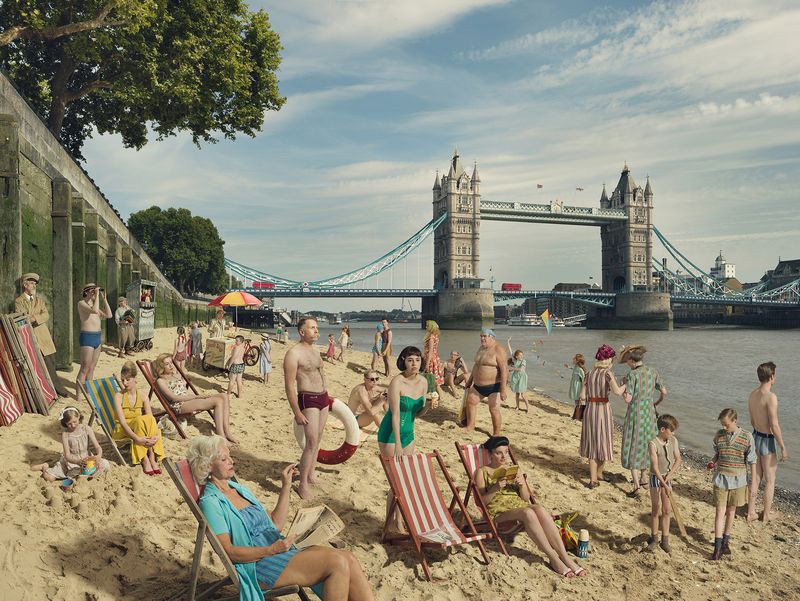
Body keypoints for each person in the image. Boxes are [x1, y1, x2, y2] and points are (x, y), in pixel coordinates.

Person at [189, 435, 375, 601]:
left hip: (278, 550)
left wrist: (285, 486)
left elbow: (276, 524)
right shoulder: (211, 503)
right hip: (259, 564)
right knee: (337, 562)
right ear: (207, 466)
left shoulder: (238, 489)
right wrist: (271, 550)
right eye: (224, 459)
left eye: (229, 456)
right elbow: (230, 552)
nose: (231, 461)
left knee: (348, 557)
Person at [474, 436, 587, 578]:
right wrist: (495, 488)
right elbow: (482, 502)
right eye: (498, 453)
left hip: (519, 506)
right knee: (528, 513)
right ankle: (553, 558)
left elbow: (525, 498)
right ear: (490, 454)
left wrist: (522, 485)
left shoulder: (513, 469)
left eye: (506, 452)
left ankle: (565, 558)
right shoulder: (482, 472)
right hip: (499, 513)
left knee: (538, 508)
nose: (504, 456)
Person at [378, 346, 436, 529]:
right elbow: (394, 415)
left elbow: (418, 414)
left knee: (404, 480)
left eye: (417, 360)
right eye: (410, 360)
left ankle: (398, 521)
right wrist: (397, 445)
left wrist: (428, 405)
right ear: (403, 361)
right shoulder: (397, 382)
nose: (414, 364)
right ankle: (393, 524)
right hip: (390, 434)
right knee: (396, 482)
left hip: (409, 433)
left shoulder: (424, 382)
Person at [283, 316, 330, 499]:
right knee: (310, 443)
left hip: (323, 398)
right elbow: (289, 386)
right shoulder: (293, 354)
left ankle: (311, 475)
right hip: (308, 398)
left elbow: (321, 373)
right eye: (312, 328)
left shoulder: (315, 349)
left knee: (318, 439)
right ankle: (302, 485)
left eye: (317, 327)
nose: (316, 331)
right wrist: (296, 412)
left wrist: (327, 394)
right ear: (302, 332)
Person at [154, 353, 237, 443]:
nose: (171, 366)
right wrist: (196, 397)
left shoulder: (176, 375)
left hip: (189, 400)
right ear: (161, 367)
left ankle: (228, 433)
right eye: (167, 364)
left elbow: (185, 386)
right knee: (217, 401)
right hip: (179, 405)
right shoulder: (161, 381)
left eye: (171, 362)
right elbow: (174, 398)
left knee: (224, 396)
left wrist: (199, 396)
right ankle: (222, 436)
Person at [619, 345, 666, 497]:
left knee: (633, 443)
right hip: (650, 412)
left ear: (633, 361)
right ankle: (644, 477)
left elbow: (628, 399)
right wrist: (655, 404)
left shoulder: (632, 375)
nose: (626, 363)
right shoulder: (652, 371)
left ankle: (637, 487)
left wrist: (622, 388)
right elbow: (664, 391)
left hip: (636, 412)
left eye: (627, 360)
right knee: (648, 442)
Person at [709, 408, 757, 560]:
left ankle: (725, 542)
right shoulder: (719, 436)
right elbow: (718, 453)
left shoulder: (747, 437)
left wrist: (753, 483)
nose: (724, 427)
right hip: (721, 478)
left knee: (731, 512)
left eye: (726, 424)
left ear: (735, 421)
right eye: (722, 424)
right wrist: (712, 461)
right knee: (719, 512)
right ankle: (717, 548)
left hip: (739, 480)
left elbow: (752, 461)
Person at [579, 344, 625, 489]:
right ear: (608, 360)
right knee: (604, 442)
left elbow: (581, 396)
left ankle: (594, 479)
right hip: (603, 409)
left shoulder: (589, 374)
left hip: (590, 410)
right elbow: (617, 392)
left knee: (592, 443)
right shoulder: (607, 374)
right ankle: (599, 473)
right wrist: (625, 384)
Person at [747, 361, 788, 523]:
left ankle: (751, 512)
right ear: (771, 377)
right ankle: (766, 514)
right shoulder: (771, 397)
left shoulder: (752, 394)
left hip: (754, 437)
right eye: (775, 375)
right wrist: (783, 446)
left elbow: (751, 420)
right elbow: (774, 424)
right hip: (766, 439)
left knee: (756, 478)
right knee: (770, 480)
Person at [31, 406, 110, 481]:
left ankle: (84, 475)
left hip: (87, 458)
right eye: (69, 424)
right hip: (73, 461)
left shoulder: (86, 429)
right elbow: (67, 456)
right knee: (49, 478)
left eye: (74, 422)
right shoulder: (66, 434)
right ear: (65, 423)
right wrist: (78, 461)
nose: (73, 425)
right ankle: (44, 466)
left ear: (78, 417)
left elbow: (98, 447)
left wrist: (98, 455)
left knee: (105, 464)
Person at [113, 360, 164, 474]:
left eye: (128, 379)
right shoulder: (119, 396)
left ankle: (151, 457)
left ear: (135, 379)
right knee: (140, 420)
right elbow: (122, 422)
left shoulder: (143, 396)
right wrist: (137, 439)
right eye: (122, 380)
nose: (125, 383)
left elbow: (150, 419)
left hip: (139, 427)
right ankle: (144, 459)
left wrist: (155, 435)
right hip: (122, 430)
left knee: (147, 420)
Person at [15, 272, 62, 394]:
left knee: (50, 363)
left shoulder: (39, 300)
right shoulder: (19, 301)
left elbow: (46, 315)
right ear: (25, 285)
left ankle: (57, 389)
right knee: (36, 365)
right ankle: (44, 392)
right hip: (30, 337)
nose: (34, 285)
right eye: (31, 283)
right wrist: (35, 316)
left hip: (44, 337)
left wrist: (34, 318)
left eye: (35, 283)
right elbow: (22, 316)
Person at [463, 328, 508, 436]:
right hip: (478, 386)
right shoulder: (481, 348)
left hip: (494, 386)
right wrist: (470, 380)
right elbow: (476, 365)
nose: (482, 338)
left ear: (491, 337)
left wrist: (503, 390)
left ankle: (496, 433)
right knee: (470, 402)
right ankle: (470, 426)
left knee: (494, 409)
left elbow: (504, 370)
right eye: (481, 336)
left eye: (484, 336)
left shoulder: (499, 349)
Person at [646, 414, 681, 553]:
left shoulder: (673, 441)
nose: (673, 433)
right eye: (671, 430)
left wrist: (669, 477)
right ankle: (654, 538)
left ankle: (665, 540)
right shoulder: (653, 444)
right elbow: (654, 467)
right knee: (656, 508)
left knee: (667, 510)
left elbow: (678, 459)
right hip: (656, 478)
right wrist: (664, 483)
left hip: (667, 477)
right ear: (662, 429)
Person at [76, 283, 113, 392]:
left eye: (95, 290)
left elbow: (109, 315)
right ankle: (78, 396)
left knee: (91, 368)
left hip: (97, 337)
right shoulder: (81, 303)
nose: (94, 292)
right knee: (84, 368)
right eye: (92, 291)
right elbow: (94, 311)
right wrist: (96, 296)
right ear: (86, 292)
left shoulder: (94, 305)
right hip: (87, 337)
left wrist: (104, 299)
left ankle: (89, 392)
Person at [506, 338, 529, 412]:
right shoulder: (514, 360)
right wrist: (508, 342)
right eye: (520, 355)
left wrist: (511, 369)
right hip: (516, 377)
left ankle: (527, 407)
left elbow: (521, 369)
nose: (522, 356)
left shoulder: (524, 361)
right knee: (517, 394)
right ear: (516, 356)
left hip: (522, 377)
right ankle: (517, 407)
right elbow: (510, 350)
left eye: (522, 355)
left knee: (522, 394)